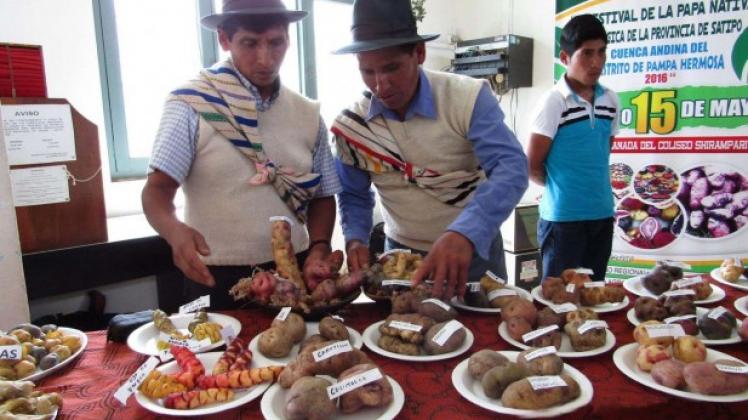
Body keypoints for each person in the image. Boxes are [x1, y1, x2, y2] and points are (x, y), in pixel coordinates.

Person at [142, 0, 341, 309]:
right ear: (225, 39)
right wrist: (174, 231)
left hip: (295, 272)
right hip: (216, 275)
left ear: (288, 38)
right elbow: (157, 191)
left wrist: (318, 247)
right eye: (250, 43)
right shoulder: (192, 105)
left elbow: (323, 195)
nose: (265, 58)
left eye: (276, 42)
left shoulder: (307, 114)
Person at [330, 0, 528, 300]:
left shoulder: (466, 98)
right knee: (401, 329)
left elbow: (511, 168)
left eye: (391, 68)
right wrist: (356, 238)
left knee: (483, 328)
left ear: (419, 53)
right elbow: (354, 194)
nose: (380, 86)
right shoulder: (354, 126)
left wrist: (465, 232)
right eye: (367, 71)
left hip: (471, 254)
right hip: (399, 262)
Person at [527, 14, 619, 281]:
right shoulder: (554, 102)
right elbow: (531, 165)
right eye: (587, 53)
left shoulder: (611, 100)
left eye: (601, 52)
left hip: (602, 214)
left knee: (594, 295)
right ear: (565, 58)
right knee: (559, 298)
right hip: (563, 220)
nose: (596, 62)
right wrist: (564, 187)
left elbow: (603, 153)